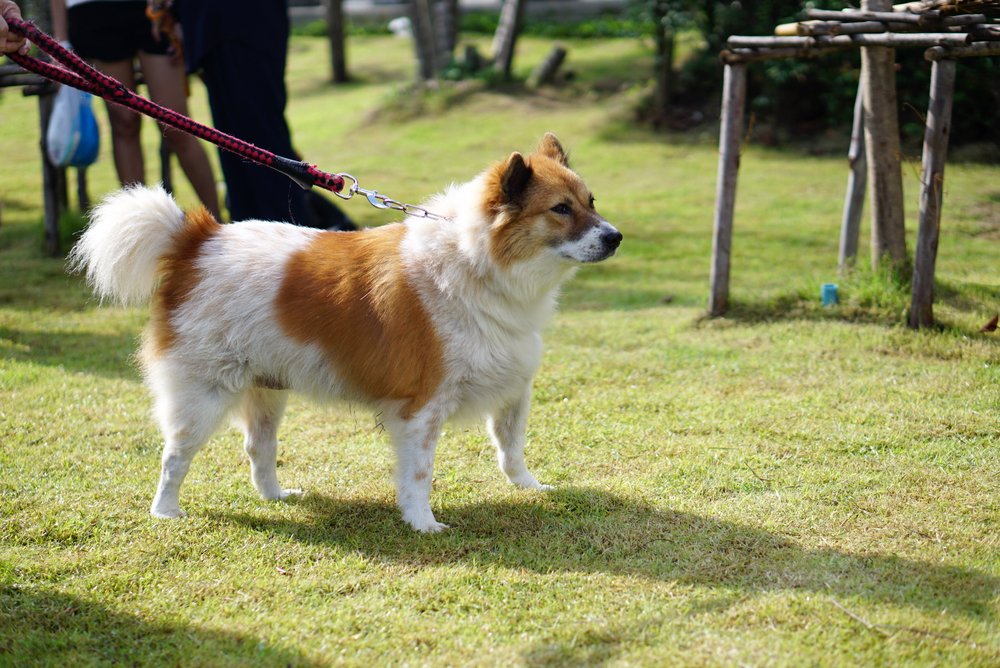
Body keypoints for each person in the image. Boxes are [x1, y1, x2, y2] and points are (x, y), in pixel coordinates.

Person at [171, 0, 352, 229]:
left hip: (243, 24)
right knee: (236, 148)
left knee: (262, 144)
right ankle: (254, 234)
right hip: (215, 26)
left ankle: (294, 233)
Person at [50, 0, 221, 219]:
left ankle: (219, 226)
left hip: (151, 9)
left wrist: (174, 12)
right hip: (92, 11)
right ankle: (140, 234)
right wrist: (61, 41)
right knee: (124, 124)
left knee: (177, 125)